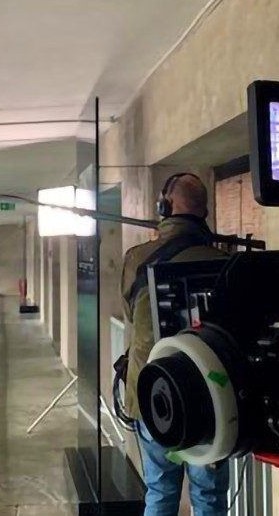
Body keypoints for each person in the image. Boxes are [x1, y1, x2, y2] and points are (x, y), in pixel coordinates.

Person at [122, 173, 229, 516]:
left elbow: (130, 314)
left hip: (153, 394)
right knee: (209, 496)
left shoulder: (136, 259)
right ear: (204, 212)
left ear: (163, 207)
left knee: (160, 491)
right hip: (211, 398)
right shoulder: (222, 261)